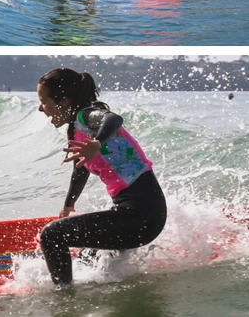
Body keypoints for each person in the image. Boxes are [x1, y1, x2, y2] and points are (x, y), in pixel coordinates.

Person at [36, 68, 166, 286]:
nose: (41, 108)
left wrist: (97, 143)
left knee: (51, 235)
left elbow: (113, 118)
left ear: (64, 101)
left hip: (141, 216)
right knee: (89, 256)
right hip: (139, 216)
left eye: (44, 101)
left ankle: (63, 298)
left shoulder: (87, 116)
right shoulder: (76, 131)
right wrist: (68, 206)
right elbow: (81, 169)